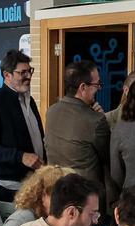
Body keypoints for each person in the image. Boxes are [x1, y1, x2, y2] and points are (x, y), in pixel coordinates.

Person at [44, 59, 111, 210]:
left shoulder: (51, 111)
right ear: (83, 87)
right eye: (97, 85)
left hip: (57, 194)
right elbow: (108, 157)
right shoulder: (96, 120)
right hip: (85, 201)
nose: (99, 89)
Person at [0, 49, 45, 201]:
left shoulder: (29, 100)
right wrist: (20, 156)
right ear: (7, 75)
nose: (28, 76)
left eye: (30, 71)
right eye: (22, 73)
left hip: (33, 182)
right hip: (8, 186)